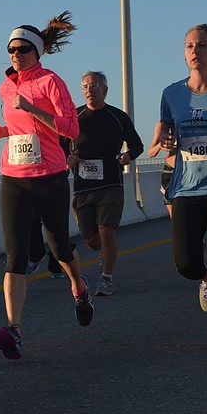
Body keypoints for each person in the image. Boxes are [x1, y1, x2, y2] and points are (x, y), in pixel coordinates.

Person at [0, 11, 94, 361]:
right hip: (14, 176)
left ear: (37, 52)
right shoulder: (6, 85)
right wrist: (1, 132)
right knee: (15, 256)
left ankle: (78, 285)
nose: (16, 55)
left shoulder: (51, 82)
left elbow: (70, 130)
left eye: (23, 49)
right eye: (11, 49)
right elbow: (20, 128)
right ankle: (14, 330)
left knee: (60, 248)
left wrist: (32, 108)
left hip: (49, 176)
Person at [158, 23, 207, 352]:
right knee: (186, 264)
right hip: (187, 187)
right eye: (189, 45)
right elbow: (162, 134)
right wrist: (164, 140)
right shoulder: (172, 94)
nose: (194, 51)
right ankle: (205, 281)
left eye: (202, 45)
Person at [64, 71, 144, 296]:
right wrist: (67, 158)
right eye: (86, 86)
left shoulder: (118, 117)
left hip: (110, 184)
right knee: (91, 240)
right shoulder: (75, 117)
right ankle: (104, 252)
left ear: (105, 90)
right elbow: (60, 144)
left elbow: (137, 146)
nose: (90, 89)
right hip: (83, 187)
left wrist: (127, 156)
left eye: (95, 85)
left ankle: (106, 279)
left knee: (106, 231)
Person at [147, 122, 176, 218]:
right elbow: (150, 153)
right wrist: (160, 145)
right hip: (172, 171)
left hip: (196, 170)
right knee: (176, 217)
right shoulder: (164, 123)